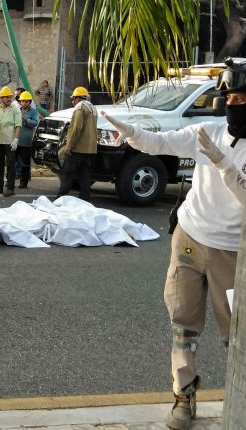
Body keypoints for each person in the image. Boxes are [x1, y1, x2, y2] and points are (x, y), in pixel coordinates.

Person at [102, 58, 246, 430]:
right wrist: (129, 131)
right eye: (231, 97)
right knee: (183, 324)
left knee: (238, 335)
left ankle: (239, 400)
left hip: (233, 254)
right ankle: (184, 396)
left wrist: (225, 166)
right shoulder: (209, 131)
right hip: (189, 240)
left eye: (244, 98)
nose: (235, 105)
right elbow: (160, 142)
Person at [55, 87, 97, 200]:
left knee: (67, 174)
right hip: (90, 149)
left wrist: (69, 145)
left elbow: (77, 128)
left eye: (73, 99)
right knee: (85, 176)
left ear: (78, 98)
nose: (73, 102)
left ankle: (61, 198)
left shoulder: (80, 108)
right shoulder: (92, 107)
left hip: (78, 148)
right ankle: (84, 199)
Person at [0, 86, 22, 197]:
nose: (9, 98)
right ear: (1, 98)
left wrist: (16, 139)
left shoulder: (15, 110)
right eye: (6, 97)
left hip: (9, 141)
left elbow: (18, 125)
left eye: (10, 96)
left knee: (10, 165)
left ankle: (10, 188)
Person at [16, 91, 40, 189]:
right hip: (16, 141)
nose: (24, 103)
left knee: (25, 163)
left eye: (26, 102)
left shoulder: (34, 112)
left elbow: (35, 123)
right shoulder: (17, 110)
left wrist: (26, 119)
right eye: (22, 101)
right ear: (20, 102)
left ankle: (24, 182)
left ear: (30, 102)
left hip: (26, 142)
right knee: (12, 161)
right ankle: (11, 180)